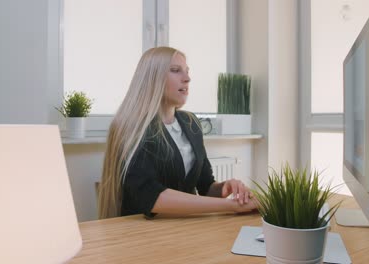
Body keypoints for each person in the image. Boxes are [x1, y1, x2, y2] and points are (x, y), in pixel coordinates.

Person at [98, 47, 257, 219]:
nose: (187, 78)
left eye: (187, 72)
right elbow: (151, 196)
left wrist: (224, 188)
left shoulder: (191, 123)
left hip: (185, 227)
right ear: (152, 78)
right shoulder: (132, 126)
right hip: (142, 231)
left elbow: (205, 186)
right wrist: (231, 206)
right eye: (175, 71)